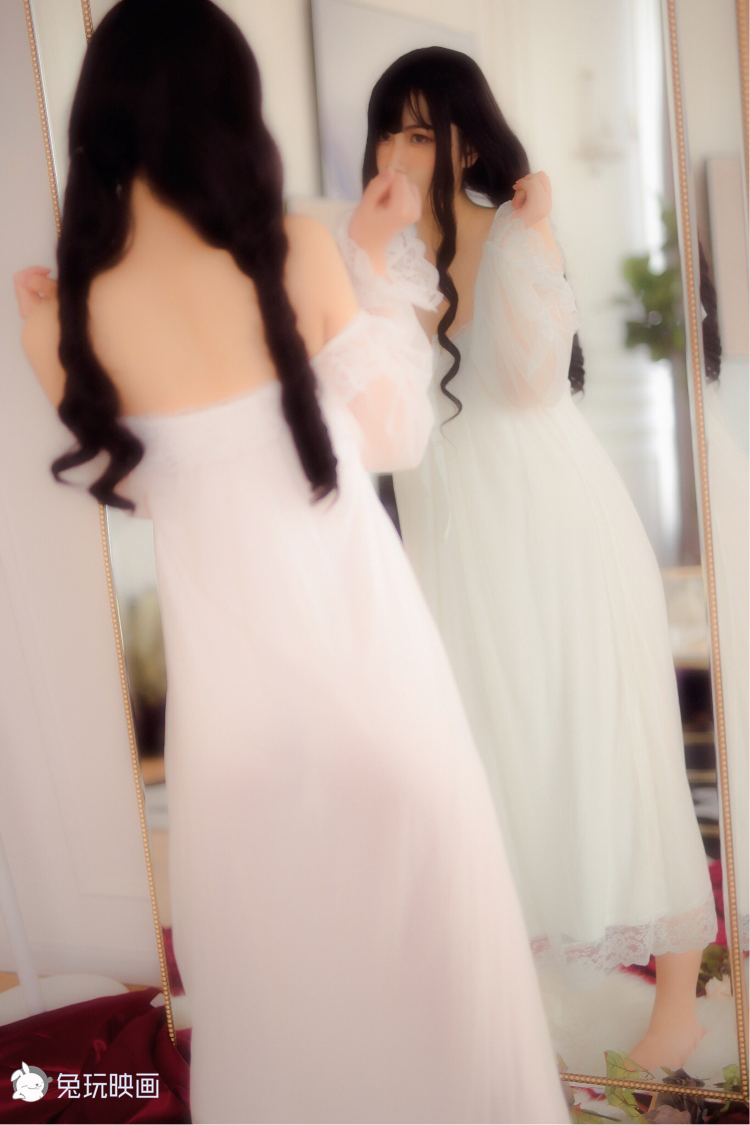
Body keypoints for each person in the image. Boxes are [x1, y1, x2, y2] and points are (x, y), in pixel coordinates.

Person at [13, 4, 570, 1122]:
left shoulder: (58, 322)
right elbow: (397, 437)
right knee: (438, 987)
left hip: (234, 737)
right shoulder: (296, 255)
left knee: (285, 1003)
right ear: (232, 110)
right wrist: (371, 266)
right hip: (375, 685)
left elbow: (153, 487)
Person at [356, 47, 718, 1073]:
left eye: (419, 132)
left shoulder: (518, 232)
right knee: (486, 764)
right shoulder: (378, 258)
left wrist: (529, 235)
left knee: (613, 749)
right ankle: (505, 989)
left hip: (559, 532)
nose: (397, 153)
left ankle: (680, 1010)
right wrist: (378, 260)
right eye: (388, 131)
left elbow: (525, 380)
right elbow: (373, 421)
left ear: (466, 142)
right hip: (457, 548)